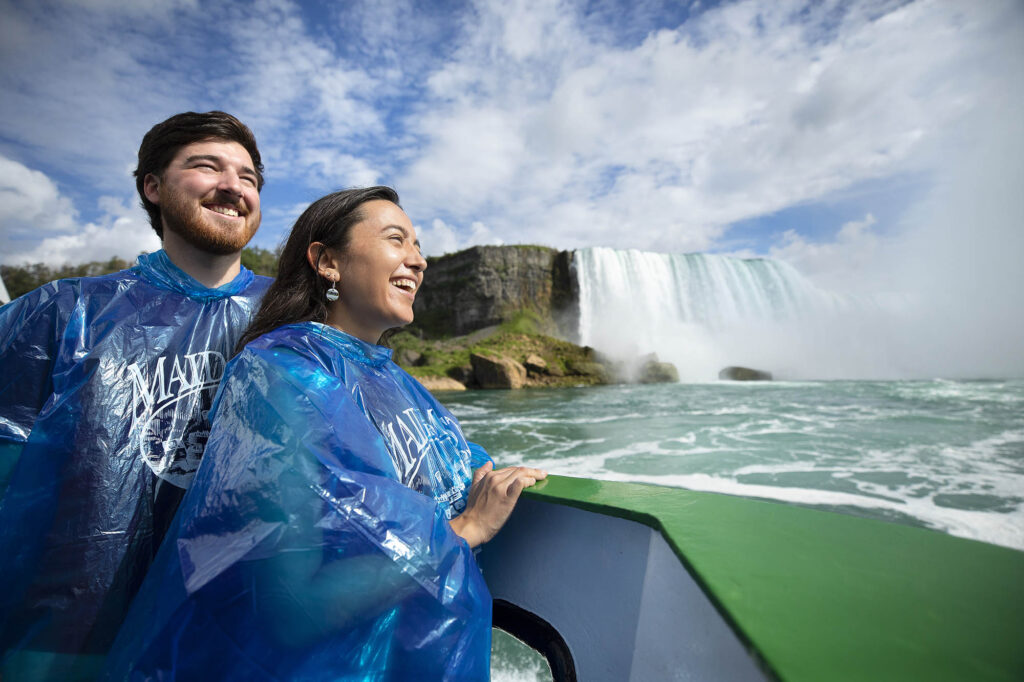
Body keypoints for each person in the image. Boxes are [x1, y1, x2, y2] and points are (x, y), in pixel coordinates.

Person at [102, 187, 546, 680]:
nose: (417, 261)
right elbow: (293, 607)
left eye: (418, 247)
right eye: (397, 239)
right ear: (327, 261)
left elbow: (443, 470)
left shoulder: (392, 382)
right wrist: (466, 530)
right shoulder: (279, 377)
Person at [0, 111, 270, 680]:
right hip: (76, 635)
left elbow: (383, 421)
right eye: (206, 166)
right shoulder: (63, 313)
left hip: (242, 630)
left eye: (248, 177)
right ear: (153, 186)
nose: (233, 185)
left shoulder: (293, 321)